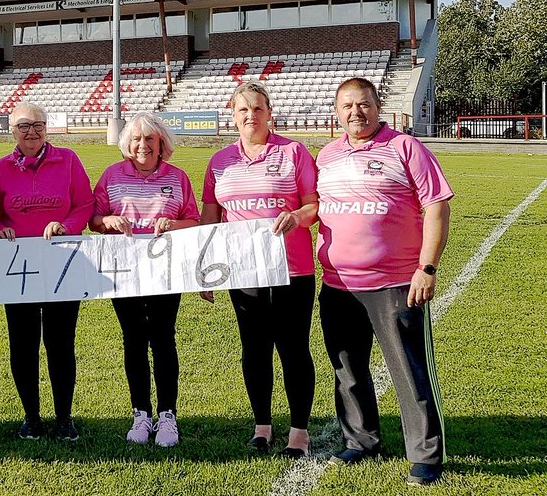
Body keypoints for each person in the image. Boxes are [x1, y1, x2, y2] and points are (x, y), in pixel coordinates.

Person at [317, 77, 452, 487]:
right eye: (347, 106)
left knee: (409, 371)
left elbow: (437, 208)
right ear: (336, 112)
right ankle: (361, 440)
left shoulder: (406, 148)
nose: (355, 113)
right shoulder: (326, 155)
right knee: (348, 369)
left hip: (396, 282)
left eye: (363, 105)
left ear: (378, 107)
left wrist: (426, 268)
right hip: (338, 283)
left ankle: (425, 455)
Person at [200, 82, 319, 458]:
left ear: (269, 113)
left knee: (293, 349)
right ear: (232, 116)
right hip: (242, 272)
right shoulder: (220, 161)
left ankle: (299, 432)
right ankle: (262, 427)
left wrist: (296, 217)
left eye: (257, 109)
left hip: (292, 270)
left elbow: (314, 206)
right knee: (254, 349)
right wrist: (205, 269)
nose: (250, 116)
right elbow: (210, 221)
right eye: (243, 110)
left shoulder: (293, 152)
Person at [90, 112, 200, 448]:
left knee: (164, 339)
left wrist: (172, 224)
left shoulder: (178, 177)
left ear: (161, 143)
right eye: (136, 139)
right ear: (127, 144)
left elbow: (194, 221)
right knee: (134, 340)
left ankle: (167, 415)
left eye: (150, 139)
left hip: (166, 272)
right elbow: (94, 221)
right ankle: (141, 413)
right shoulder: (111, 176)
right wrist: (109, 220)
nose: (143, 145)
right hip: (124, 274)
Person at [0, 102, 95, 441]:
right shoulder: (2, 168)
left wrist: (65, 225)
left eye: (38, 124)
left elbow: (85, 205)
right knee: (22, 344)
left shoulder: (68, 160)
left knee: (60, 343)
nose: (31, 131)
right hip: (17, 268)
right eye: (23, 125)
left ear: (47, 128)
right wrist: (1, 227)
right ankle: (31, 417)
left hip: (62, 265)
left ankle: (64, 417)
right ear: (12, 131)